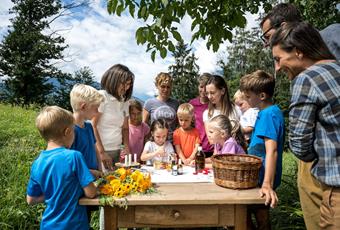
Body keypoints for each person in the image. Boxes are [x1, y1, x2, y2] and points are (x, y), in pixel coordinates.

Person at [270, 21, 340, 229]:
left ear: (299, 52)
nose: (278, 67)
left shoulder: (306, 79)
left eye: (278, 58)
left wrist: (316, 159)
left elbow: (299, 143)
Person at [26, 106, 97, 230]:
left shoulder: (37, 163)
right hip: (74, 225)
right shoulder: (74, 156)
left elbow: (31, 199)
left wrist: (54, 193)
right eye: (74, 131)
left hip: (48, 225)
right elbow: (91, 193)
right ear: (67, 132)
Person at [239, 70, 285, 229]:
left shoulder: (268, 115)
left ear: (262, 96)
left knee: (249, 215)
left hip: (261, 179)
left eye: (248, 96)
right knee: (250, 214)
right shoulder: (267, 112)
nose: (245, 99)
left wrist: (267, 184)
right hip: (258, 176)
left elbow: (271, 150)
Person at [92, 64, 134, 169]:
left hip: (117, 150)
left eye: (128, 84)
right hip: (100, 150)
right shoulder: (102, 96)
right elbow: (93, 126)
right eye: (123, 83)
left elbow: (125, 128)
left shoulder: (125, 101)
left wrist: (126, 148)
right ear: (113, 80)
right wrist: (101, 153)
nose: (126, 87)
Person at [70, 84, 104, 178]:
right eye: (95, 108)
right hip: (80, 181)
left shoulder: (89, 126)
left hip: (94, 178)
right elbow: (69, 164)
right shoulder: (70, 131)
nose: (97, 112)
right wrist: (91, 173)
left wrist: (100, 170)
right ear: (83, 107)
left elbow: (95, 149)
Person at [143, 72, 179, 142]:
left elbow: (179, 125)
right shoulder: (149, 103)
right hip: (155, 143)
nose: (165, 89)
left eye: (168, 87)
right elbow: (143, 125)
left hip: (172, 143)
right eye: (163, 86)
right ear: (157, 85)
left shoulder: (176, 103)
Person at [189, 73, 214, 157]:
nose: (203, 90)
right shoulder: (192, 104)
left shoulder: (214, 104)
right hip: (196, 147)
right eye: (201, 87)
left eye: (206, 87)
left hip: (212, 148)